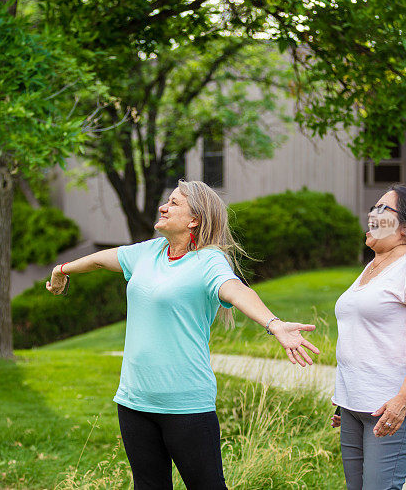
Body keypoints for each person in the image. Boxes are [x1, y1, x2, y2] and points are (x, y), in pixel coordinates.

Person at [46, 179, 320, 490]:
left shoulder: (208, 261)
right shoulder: (148, 252)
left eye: (175, 203)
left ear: (194, 220)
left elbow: (235, 290)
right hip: (135, 400)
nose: (163, 206)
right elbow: (98, 259)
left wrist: (274, 324)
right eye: (167, 200)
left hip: (186, 404)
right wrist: (62, 270)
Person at [330, 184, 406, 490]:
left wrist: (402, 402)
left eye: (383, 209)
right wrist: (345, 401)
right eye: (374, 206)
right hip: (354, 406)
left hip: (391, 407)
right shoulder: (372, 266)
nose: (372, 213)